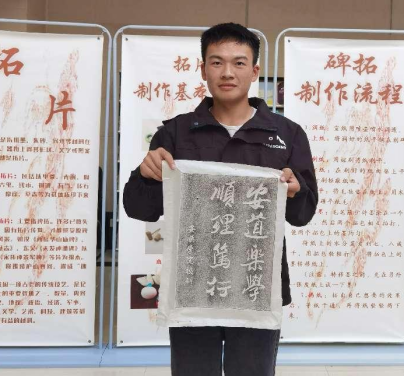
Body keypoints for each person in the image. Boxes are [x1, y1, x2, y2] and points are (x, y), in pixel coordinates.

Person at [123, 22, 318, 376]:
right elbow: (139, 208)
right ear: (203, 69)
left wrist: (295, 190)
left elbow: (303, 214)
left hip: (256, 284)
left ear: (255, 71)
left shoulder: (286, 134)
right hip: (192, 284)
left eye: (239, 62)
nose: (228, 72)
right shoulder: (176, 132)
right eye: (217, 62)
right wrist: (146, 173)